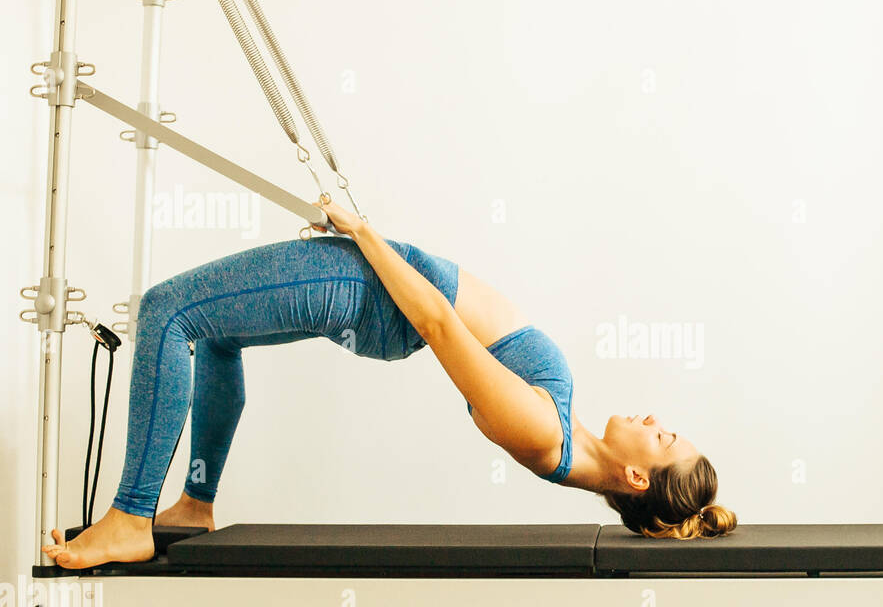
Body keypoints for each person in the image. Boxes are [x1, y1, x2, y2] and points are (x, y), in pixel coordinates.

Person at [44, 198, 737, 569]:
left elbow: (437, 323)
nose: (656, 419)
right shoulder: (565, 426)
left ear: (639, 480)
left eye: (665, 437)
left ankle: (131, 518)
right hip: (372, 283)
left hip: (366, 288)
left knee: (167, 311)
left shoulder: (540, 433)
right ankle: (194, 505)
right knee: (217, 334)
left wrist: (365, 235)